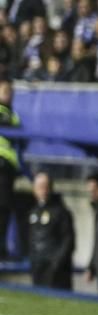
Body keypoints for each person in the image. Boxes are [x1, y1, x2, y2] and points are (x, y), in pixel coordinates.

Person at [28, 172, 75, 290]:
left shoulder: (61, 212)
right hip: (38, 265)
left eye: (45, 186)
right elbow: (32, 238)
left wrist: (56, 262)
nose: (42, 190)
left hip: (55, 270)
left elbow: (68, 240)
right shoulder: (34, 211)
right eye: (39, 187)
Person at [0, 80, 20, 259]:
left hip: (8, 169)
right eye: (5, 90)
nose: (8, 94)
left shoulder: (12, 113)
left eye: (10, 91)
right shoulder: (3, 113)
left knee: (4, 208)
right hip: (1, 165)